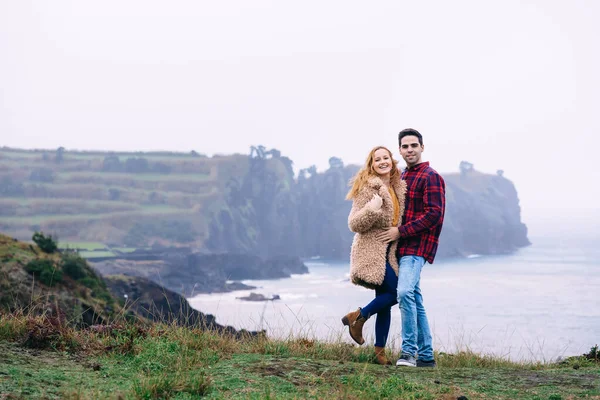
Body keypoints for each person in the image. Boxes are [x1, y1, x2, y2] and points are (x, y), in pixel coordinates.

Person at [376, 128, 446, 368]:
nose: (410, 150)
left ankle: (408, 353)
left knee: (404, 292)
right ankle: (426, 356)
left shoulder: (430, 176)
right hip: (401, 247)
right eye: (405, 147)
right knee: (414, 296)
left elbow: (434, 214)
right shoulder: (403, 176)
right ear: (400, 150)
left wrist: (400, 231)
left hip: (417, 246)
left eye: (414, 145)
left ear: (422, 147)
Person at [341, 146, 407, 365]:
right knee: (397, 294)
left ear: (392, 161)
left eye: (385, 158)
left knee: (385, 301)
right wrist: (372, 208)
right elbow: (353, 223)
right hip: (372, 250)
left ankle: (380, 353)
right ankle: (358, 316)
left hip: (390, 253)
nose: (382, 162)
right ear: (371, 164)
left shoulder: (398, 187)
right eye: (377, 159)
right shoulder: (369, 188)